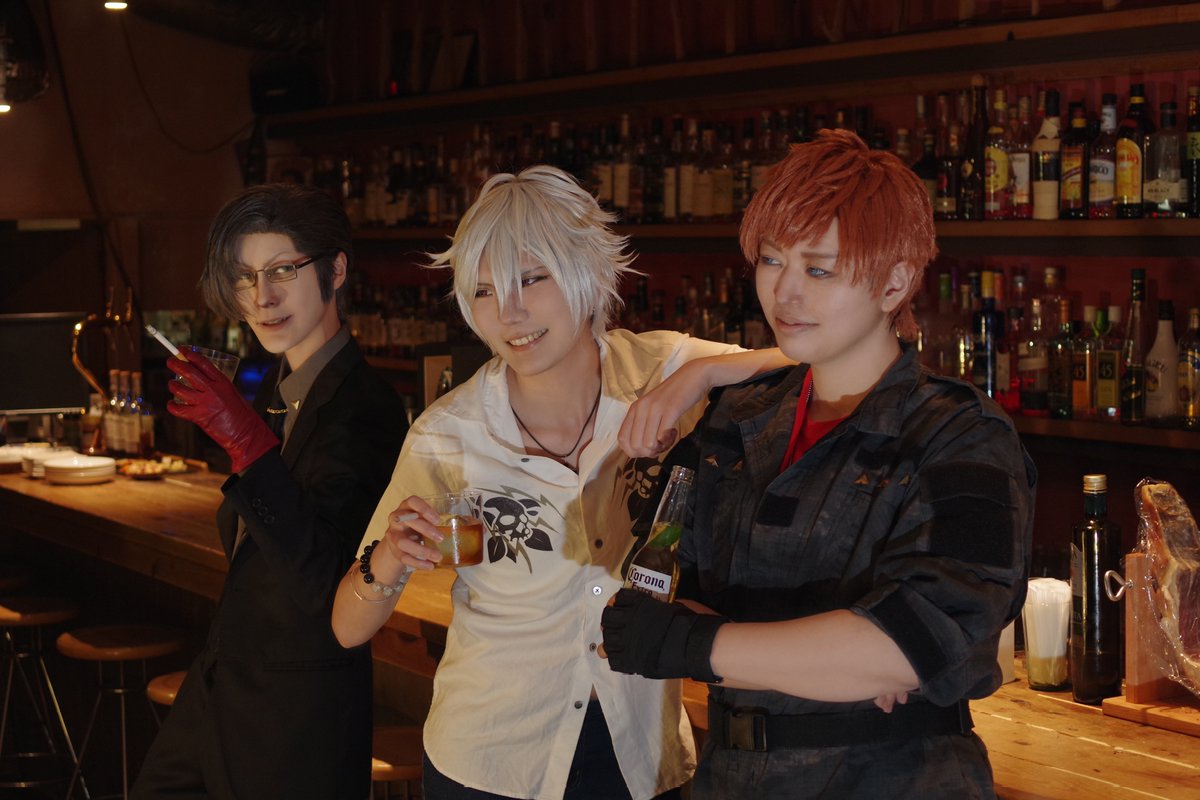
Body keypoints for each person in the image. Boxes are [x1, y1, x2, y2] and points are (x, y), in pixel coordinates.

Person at [330, 165, 792, 800]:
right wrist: (389, 556)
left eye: (531, 279)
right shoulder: (448, 432)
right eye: (484, 291)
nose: (509, 313)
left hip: (639, 755)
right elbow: (348, 627)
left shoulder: (661, 368)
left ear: (587, 271)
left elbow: (822, 359)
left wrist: (701, 376)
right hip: (490, 760)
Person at [601, 129, 1037, 799]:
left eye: (819, 269)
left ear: (895, 282)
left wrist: (704, 645)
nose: (785, 292)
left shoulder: (958, 434)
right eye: (772, 260)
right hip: (729, 779)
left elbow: (910, 643)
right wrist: (838, 661)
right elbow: (647, 600)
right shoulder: (737, 422)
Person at [132, 184, 408, 799]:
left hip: (296, 719)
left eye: (283, 269)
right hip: (224, 687)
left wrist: (247, 444)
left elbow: (324, 581)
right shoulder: (277, 387)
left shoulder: (366, 407)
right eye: (245, 276)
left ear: (336, 269)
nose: (263, 297)